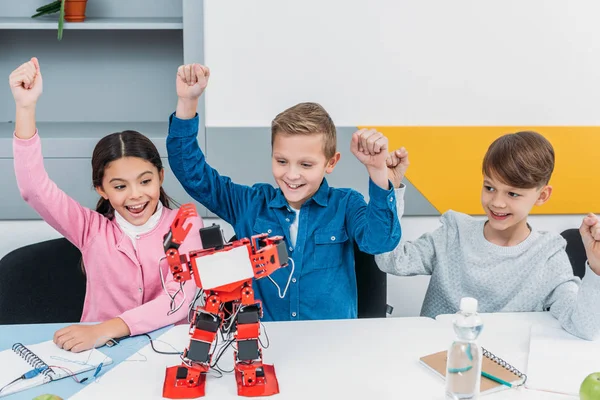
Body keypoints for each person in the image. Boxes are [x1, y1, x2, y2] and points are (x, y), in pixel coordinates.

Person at [166, 63, 401, 321]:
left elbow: (381, 241)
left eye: (306, 164)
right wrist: (187, 102)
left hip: (332, 343)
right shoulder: (250, 203)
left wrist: (378, 171)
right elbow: (192, 173)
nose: (291, 175)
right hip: (266, 343)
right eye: (281, 161)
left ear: (331, 163)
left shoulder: (346, 204)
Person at [9, 57, 204, 352]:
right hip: (97, 351)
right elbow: (33, 189)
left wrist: (106, 329)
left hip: (170, 349)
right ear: (102, 189)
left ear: (160, 177)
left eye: (145, 181)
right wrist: (25, 106)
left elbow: (178, 300)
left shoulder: (187, 224)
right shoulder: (90, 228)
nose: (136, 195)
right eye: (120, 186)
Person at [378, 131, 600, 340]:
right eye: (489, 187)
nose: (497, 202)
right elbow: (391, 260)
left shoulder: (548, 255)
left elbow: (583, 327)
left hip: (508, 368)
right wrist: (390, 190)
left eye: (513, 193)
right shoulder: (454, 233)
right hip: (440, 356)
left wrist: (597, 267)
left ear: (542, 195)